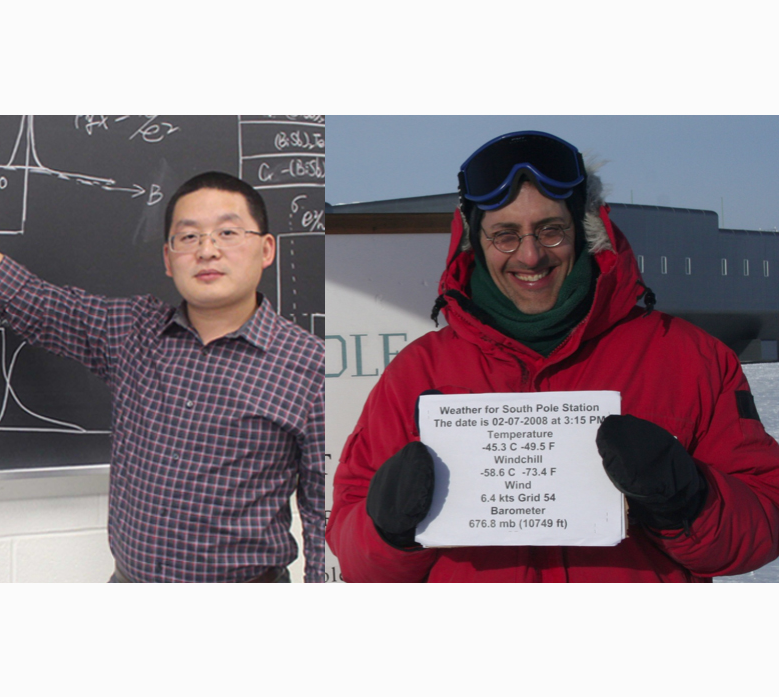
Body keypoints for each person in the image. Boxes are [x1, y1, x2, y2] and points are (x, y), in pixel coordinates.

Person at [326, 130, 779, 582]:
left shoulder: (690, 359)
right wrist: (388, 529)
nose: (530, 255)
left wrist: (690, 499)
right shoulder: (417, 372)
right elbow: (353, 549)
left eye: (551, 230)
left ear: (585, 230)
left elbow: (766, 518)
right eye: (505, 234)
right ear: (473, 241)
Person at [0, 164, 325, 583]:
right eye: (188, 237)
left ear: (265, 249)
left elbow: (324, 513)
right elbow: (24, 297)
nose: (207, 250)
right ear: (168, 259)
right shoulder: (134, 332)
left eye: (228, 233)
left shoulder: (308, 367)